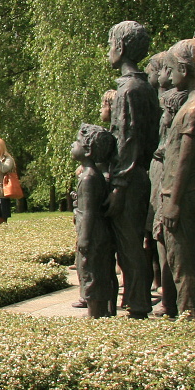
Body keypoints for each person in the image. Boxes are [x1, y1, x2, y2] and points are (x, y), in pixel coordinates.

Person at [105, 20, 161, 319]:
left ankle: (138, 301)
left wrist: (118, 184)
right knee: (132, 243)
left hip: (130, 176)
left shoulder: (129, 91)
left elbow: (127, 139)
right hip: (140, 172)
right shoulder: (144, 86)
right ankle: (135, 298)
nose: (108, 51)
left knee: (129, 244)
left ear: (121, 48)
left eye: (110, 44)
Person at [156, 39, 195, 318]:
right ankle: (187, 310)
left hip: (183, 193)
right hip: (177, 192)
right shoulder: (191, 103)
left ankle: (190, 313)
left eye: (170, 69)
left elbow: (186, 161)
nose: (167, 76)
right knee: (177, 258)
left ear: (184, 68)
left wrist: (174, 202)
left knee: (181, 262)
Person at [72, 124, 117, 318]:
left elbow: (89, 212)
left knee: (91, 272)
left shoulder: (89, 177)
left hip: (92, 233)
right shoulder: (93, 175)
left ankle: (95, 313)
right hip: (96, 231)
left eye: (77, 142)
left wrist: (84, 238)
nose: (73, 145)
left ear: (88, 150)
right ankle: (102, 311)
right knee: (97, 271)